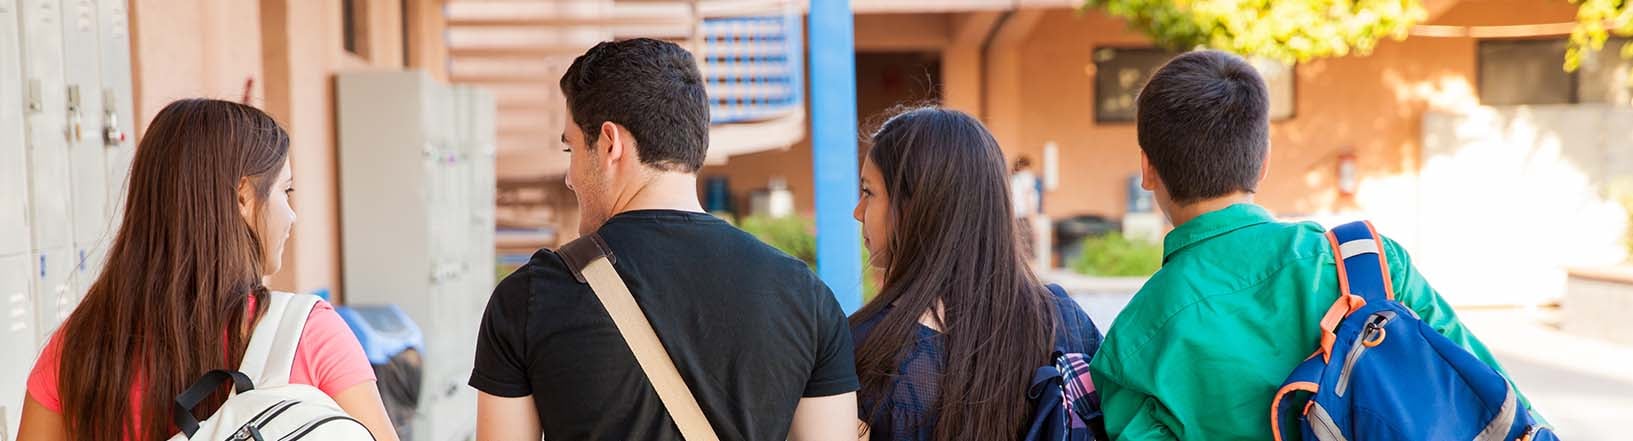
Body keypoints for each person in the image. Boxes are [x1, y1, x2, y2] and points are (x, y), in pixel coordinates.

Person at [1087, 50, 1539, 440]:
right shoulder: (1368, 266)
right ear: (1263, 162)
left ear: (1147, 169)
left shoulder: (1132, 348)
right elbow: (1502, 410)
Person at [469, 38, 859, 441]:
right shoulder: (807, 299)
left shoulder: (530, 298)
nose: (569, 176)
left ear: (609, 143)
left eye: (571, 148)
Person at [17, 99, 397, 440]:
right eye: (286, 192)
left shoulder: (78, 348)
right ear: (243, 196)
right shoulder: (307, 333)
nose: (292, 216)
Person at [849, 107, 1103, 441]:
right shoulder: (1065, 322)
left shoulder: (869, 349)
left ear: (916, 207)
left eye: (868, 192)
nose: (858, 212)